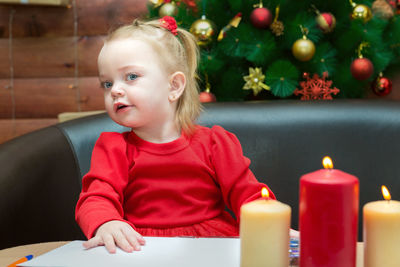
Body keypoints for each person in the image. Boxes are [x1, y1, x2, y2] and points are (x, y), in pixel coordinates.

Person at [75, 16, 292, 254]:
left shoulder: (214, 143)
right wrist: (107, 222)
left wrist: (271, 224)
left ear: (174, 86)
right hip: (143, 248)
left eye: (131, 77)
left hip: (211, 247)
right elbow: (96, 197)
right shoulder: (113, 147)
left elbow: (248, 194)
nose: (115, 90)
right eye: (107, 83)